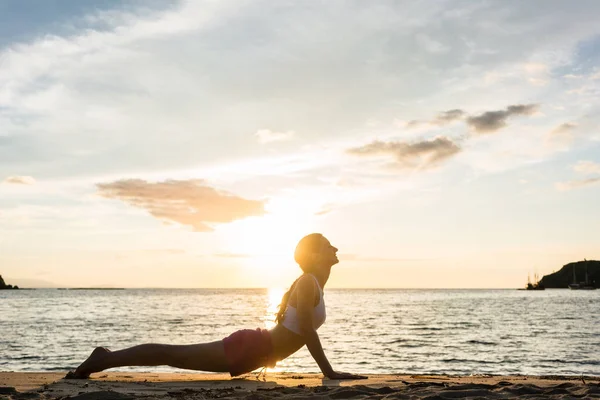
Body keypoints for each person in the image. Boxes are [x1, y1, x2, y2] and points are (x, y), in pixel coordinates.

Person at [66, 233, 367, 380]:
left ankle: (104, 357)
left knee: (173, 355)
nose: (335, 248)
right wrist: (330, 372)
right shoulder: (308, 282)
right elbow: (305, 330)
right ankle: (102, 359)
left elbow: (298, 332)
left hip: (254, 352)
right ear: (315, 255)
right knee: (171, 355)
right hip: (249, 348)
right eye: (328, 245)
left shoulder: (313, 283)